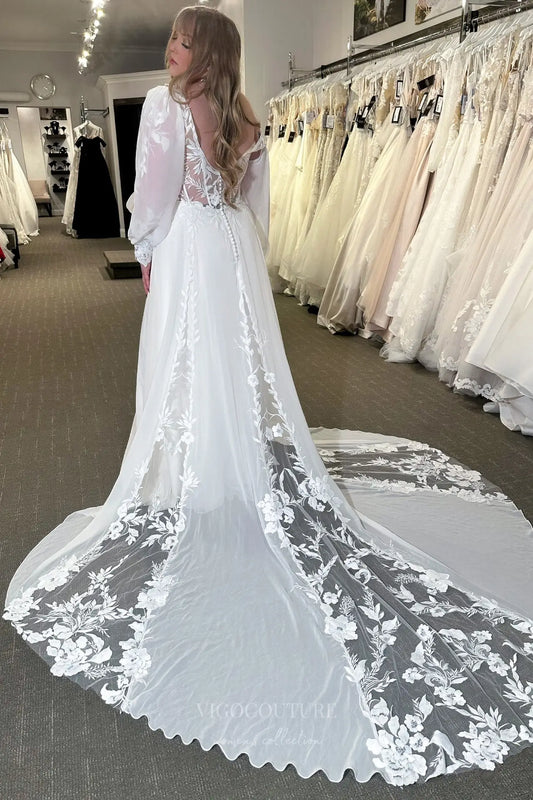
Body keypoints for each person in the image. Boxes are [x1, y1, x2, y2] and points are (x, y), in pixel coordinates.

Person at [4, 6, 533, 789]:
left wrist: (147, 252)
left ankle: (200, 476)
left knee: (185, 365)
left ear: (206, 51)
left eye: (183, 40)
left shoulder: (166, 108)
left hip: (188, 247)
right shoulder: (247, 118)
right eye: (172, 37)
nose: (171, 48)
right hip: (231, 251)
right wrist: (241, 254)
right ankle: (227, 466)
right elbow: (258, 206)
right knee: (229, 363)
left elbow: (153, 199)